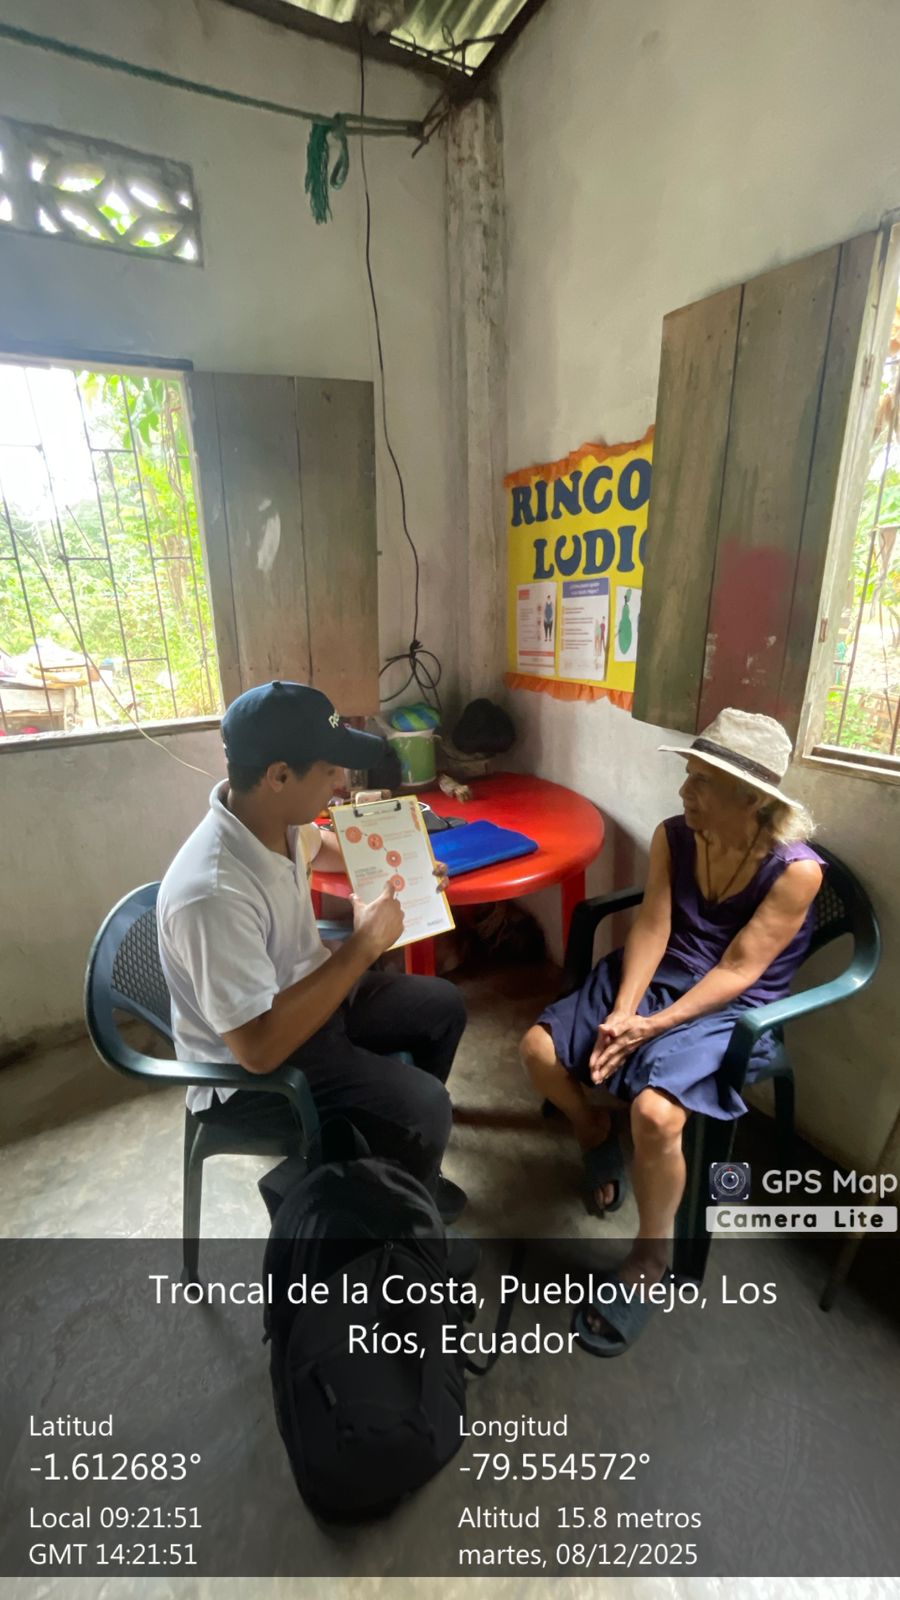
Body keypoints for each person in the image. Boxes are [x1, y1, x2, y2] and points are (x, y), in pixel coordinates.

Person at [520, 708, 824, 1355]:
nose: (685, 790)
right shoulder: (673, 836)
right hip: (656, 977)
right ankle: (591, 1129)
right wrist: (624, 1012)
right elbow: (654, 926)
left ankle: (650, 1257)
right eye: (688, 774)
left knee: (657, 1117)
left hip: (728, 1004)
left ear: (751, 799)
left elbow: (738, 969)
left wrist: (652, 1026)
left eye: (701, 781)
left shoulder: (797, 872)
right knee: (538, 1051)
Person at [158, 680, 467, 1221]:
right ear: (279, 776)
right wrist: (362, 946)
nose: (341, 782)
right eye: (329, 770)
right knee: (425, 1106)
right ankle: (394, 1209)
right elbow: (258, 1049)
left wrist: (411, 868)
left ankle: (397, 1159)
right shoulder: (212, 892)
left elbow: (329, 849)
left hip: (309, 999)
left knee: (443, 1008)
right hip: (253, 1076)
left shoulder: (276, 823)